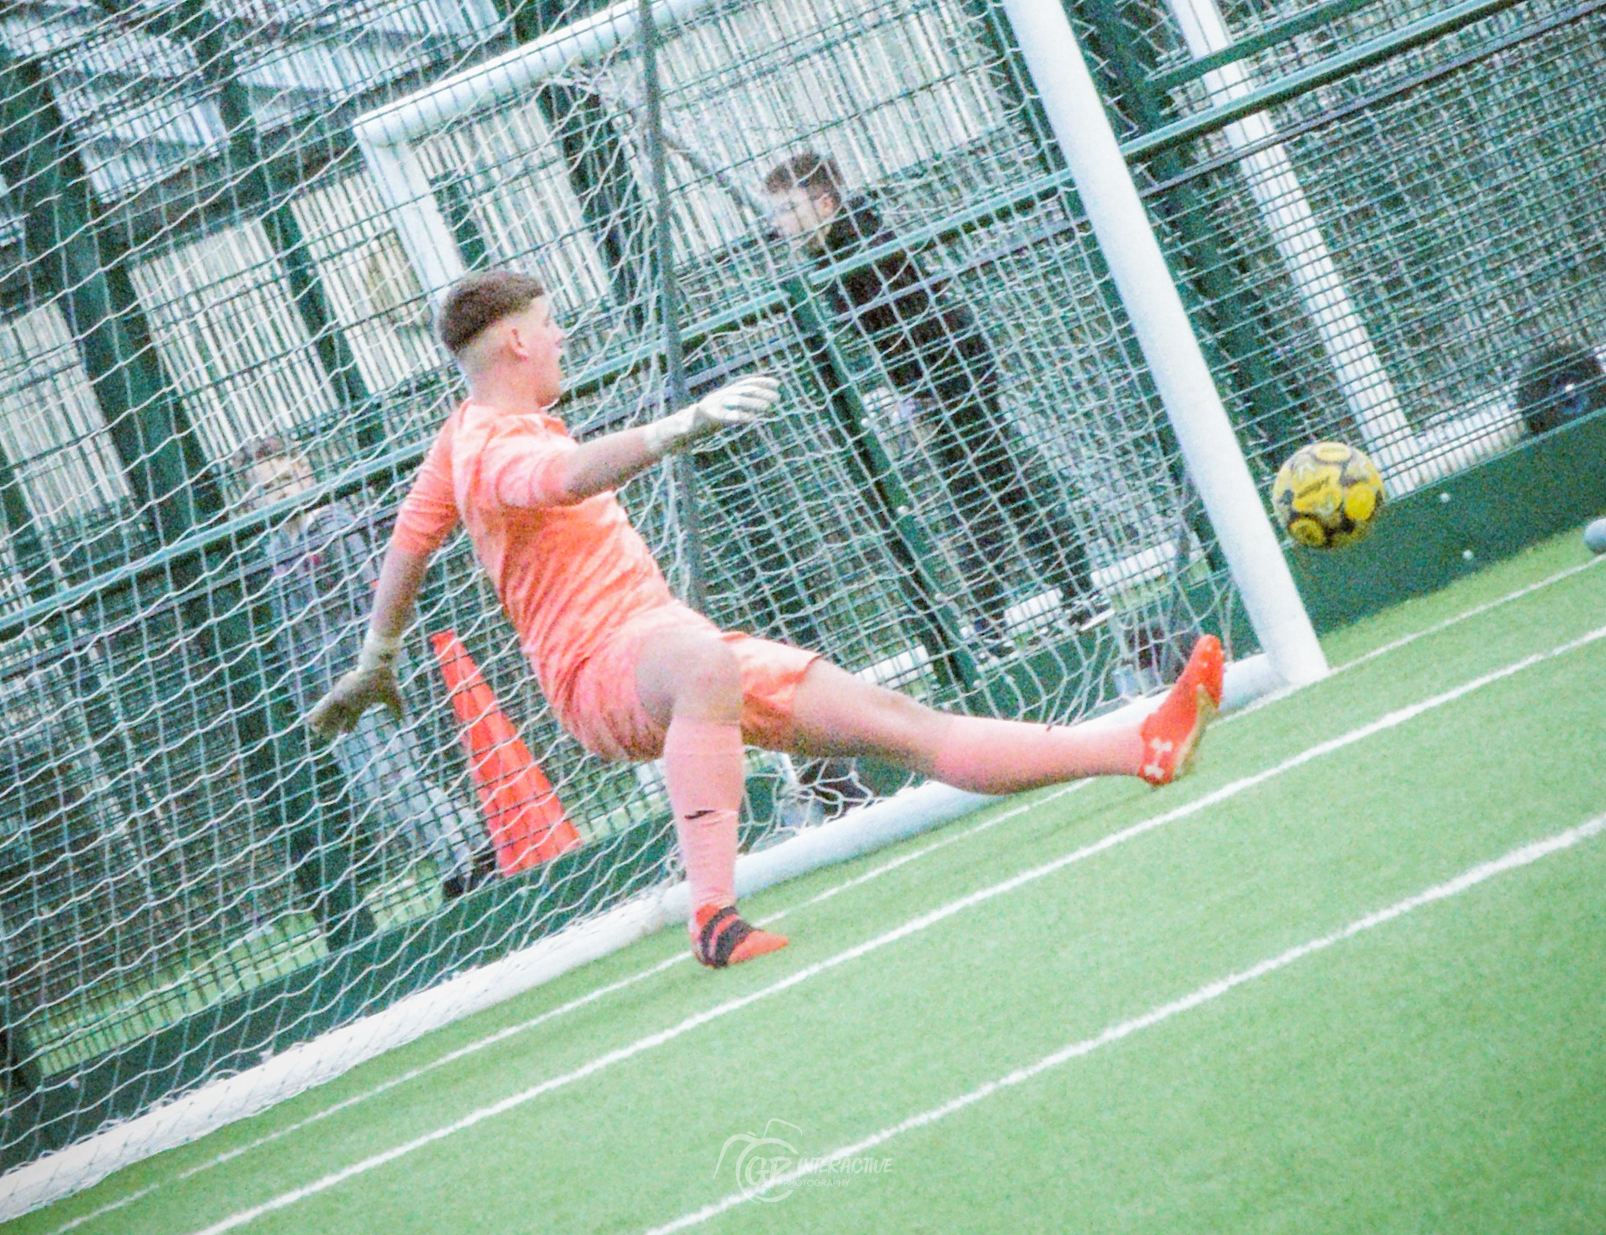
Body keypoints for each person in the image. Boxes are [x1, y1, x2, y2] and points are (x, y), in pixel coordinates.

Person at [307, 270, 1222, 971]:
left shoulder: (457, 434)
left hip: (665, 647)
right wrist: (676, 427)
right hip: (604, 673)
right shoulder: (496, 443)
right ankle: (713, 913)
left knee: (903, 725)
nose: (561, 337)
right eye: (549, 325)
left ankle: (1139, 744)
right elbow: (567, 477)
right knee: (703, 659)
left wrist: (377, 655)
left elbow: (407, 545)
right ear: (513, 342)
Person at [763, 151, 1096, 651]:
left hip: (951, 373)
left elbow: (909, 328)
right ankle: (1062, 599)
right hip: (941, 374)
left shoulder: (858, 247)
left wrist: (921, 401)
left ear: (826, 203)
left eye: (789, 210)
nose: (778, 224)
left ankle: (1010, 619)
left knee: (979, 495)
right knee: (1000, 488)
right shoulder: (837, 250)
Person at [240, 436, 495, 905]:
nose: (279, 495)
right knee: (377, 793)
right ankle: (461, 854)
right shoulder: (276, 547)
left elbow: (371, 598)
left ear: (306, 471)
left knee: (392, 780)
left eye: (285, 482)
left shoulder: (336, 525)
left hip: (363, 675)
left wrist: (378, 664)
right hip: (325, 688)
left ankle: (471, 854)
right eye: (265, 490)